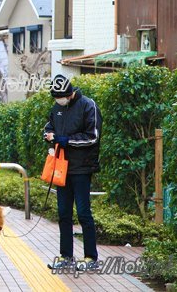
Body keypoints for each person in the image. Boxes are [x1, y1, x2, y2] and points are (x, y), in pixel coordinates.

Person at [43, 74, 102, 272]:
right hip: (62, 168)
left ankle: (90, 257)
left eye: (61, 97)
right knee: (63, 213)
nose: (58, 101)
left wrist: (66, 140)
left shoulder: (88, 105)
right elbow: (49, 126)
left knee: (84, 213)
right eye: (55, 98)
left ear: (70, 93)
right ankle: (66, 256)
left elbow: (92, 137)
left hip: (82, 168)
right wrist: (49, 136)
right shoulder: (56, 108)